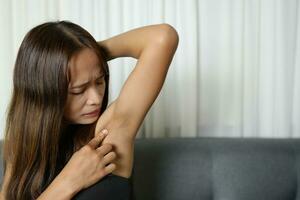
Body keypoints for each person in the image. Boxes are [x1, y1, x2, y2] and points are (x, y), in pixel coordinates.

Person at [0, 20, 179, 200]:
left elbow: (162, 37)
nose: (96, 99)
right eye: (78, 90)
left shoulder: (107, 136)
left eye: (100, 81)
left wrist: (90, 52)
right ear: (43, 91)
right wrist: (68, 182)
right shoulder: (21, 146)